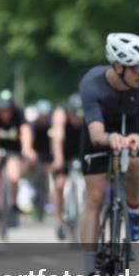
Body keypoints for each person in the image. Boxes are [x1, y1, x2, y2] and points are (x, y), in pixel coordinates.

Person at [78, 33, 139, 276]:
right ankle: (90, 271)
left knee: (136, 161)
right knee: (95, 198)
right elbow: (96, 133)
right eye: (136, 67)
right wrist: (112, 139)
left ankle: (133, 211)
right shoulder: (92, 83)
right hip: (100, 134)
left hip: (134, 129)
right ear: (117, 67)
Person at [0, 89, 33, 226]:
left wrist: (26, 148)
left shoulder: (18, 114)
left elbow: (25, 130)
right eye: (2, 109)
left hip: (13, 150)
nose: (5, 113)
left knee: (14, 177)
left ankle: (14, 204)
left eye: (8, 109)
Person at [51, 93, 85, 240]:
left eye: (80, 114)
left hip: (82, 151)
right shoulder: (61, 115)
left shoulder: (88, 118)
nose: (77, 118)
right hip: (64, 153)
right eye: (74, 114)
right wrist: (58, 159)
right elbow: (57, 138)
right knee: (59, 185)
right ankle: (59, 220)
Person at [30, 99, 55, 220]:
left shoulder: (51, 125)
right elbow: (30, 140)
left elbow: (53, 143)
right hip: (36, 154)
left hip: (48, 155)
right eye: (42, 115)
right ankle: (35, 202)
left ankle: (44, 205)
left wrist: (52, 159)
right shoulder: (33, 125)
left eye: (46, 115)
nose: (44, 118)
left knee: (46, 180)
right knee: (36, 178)